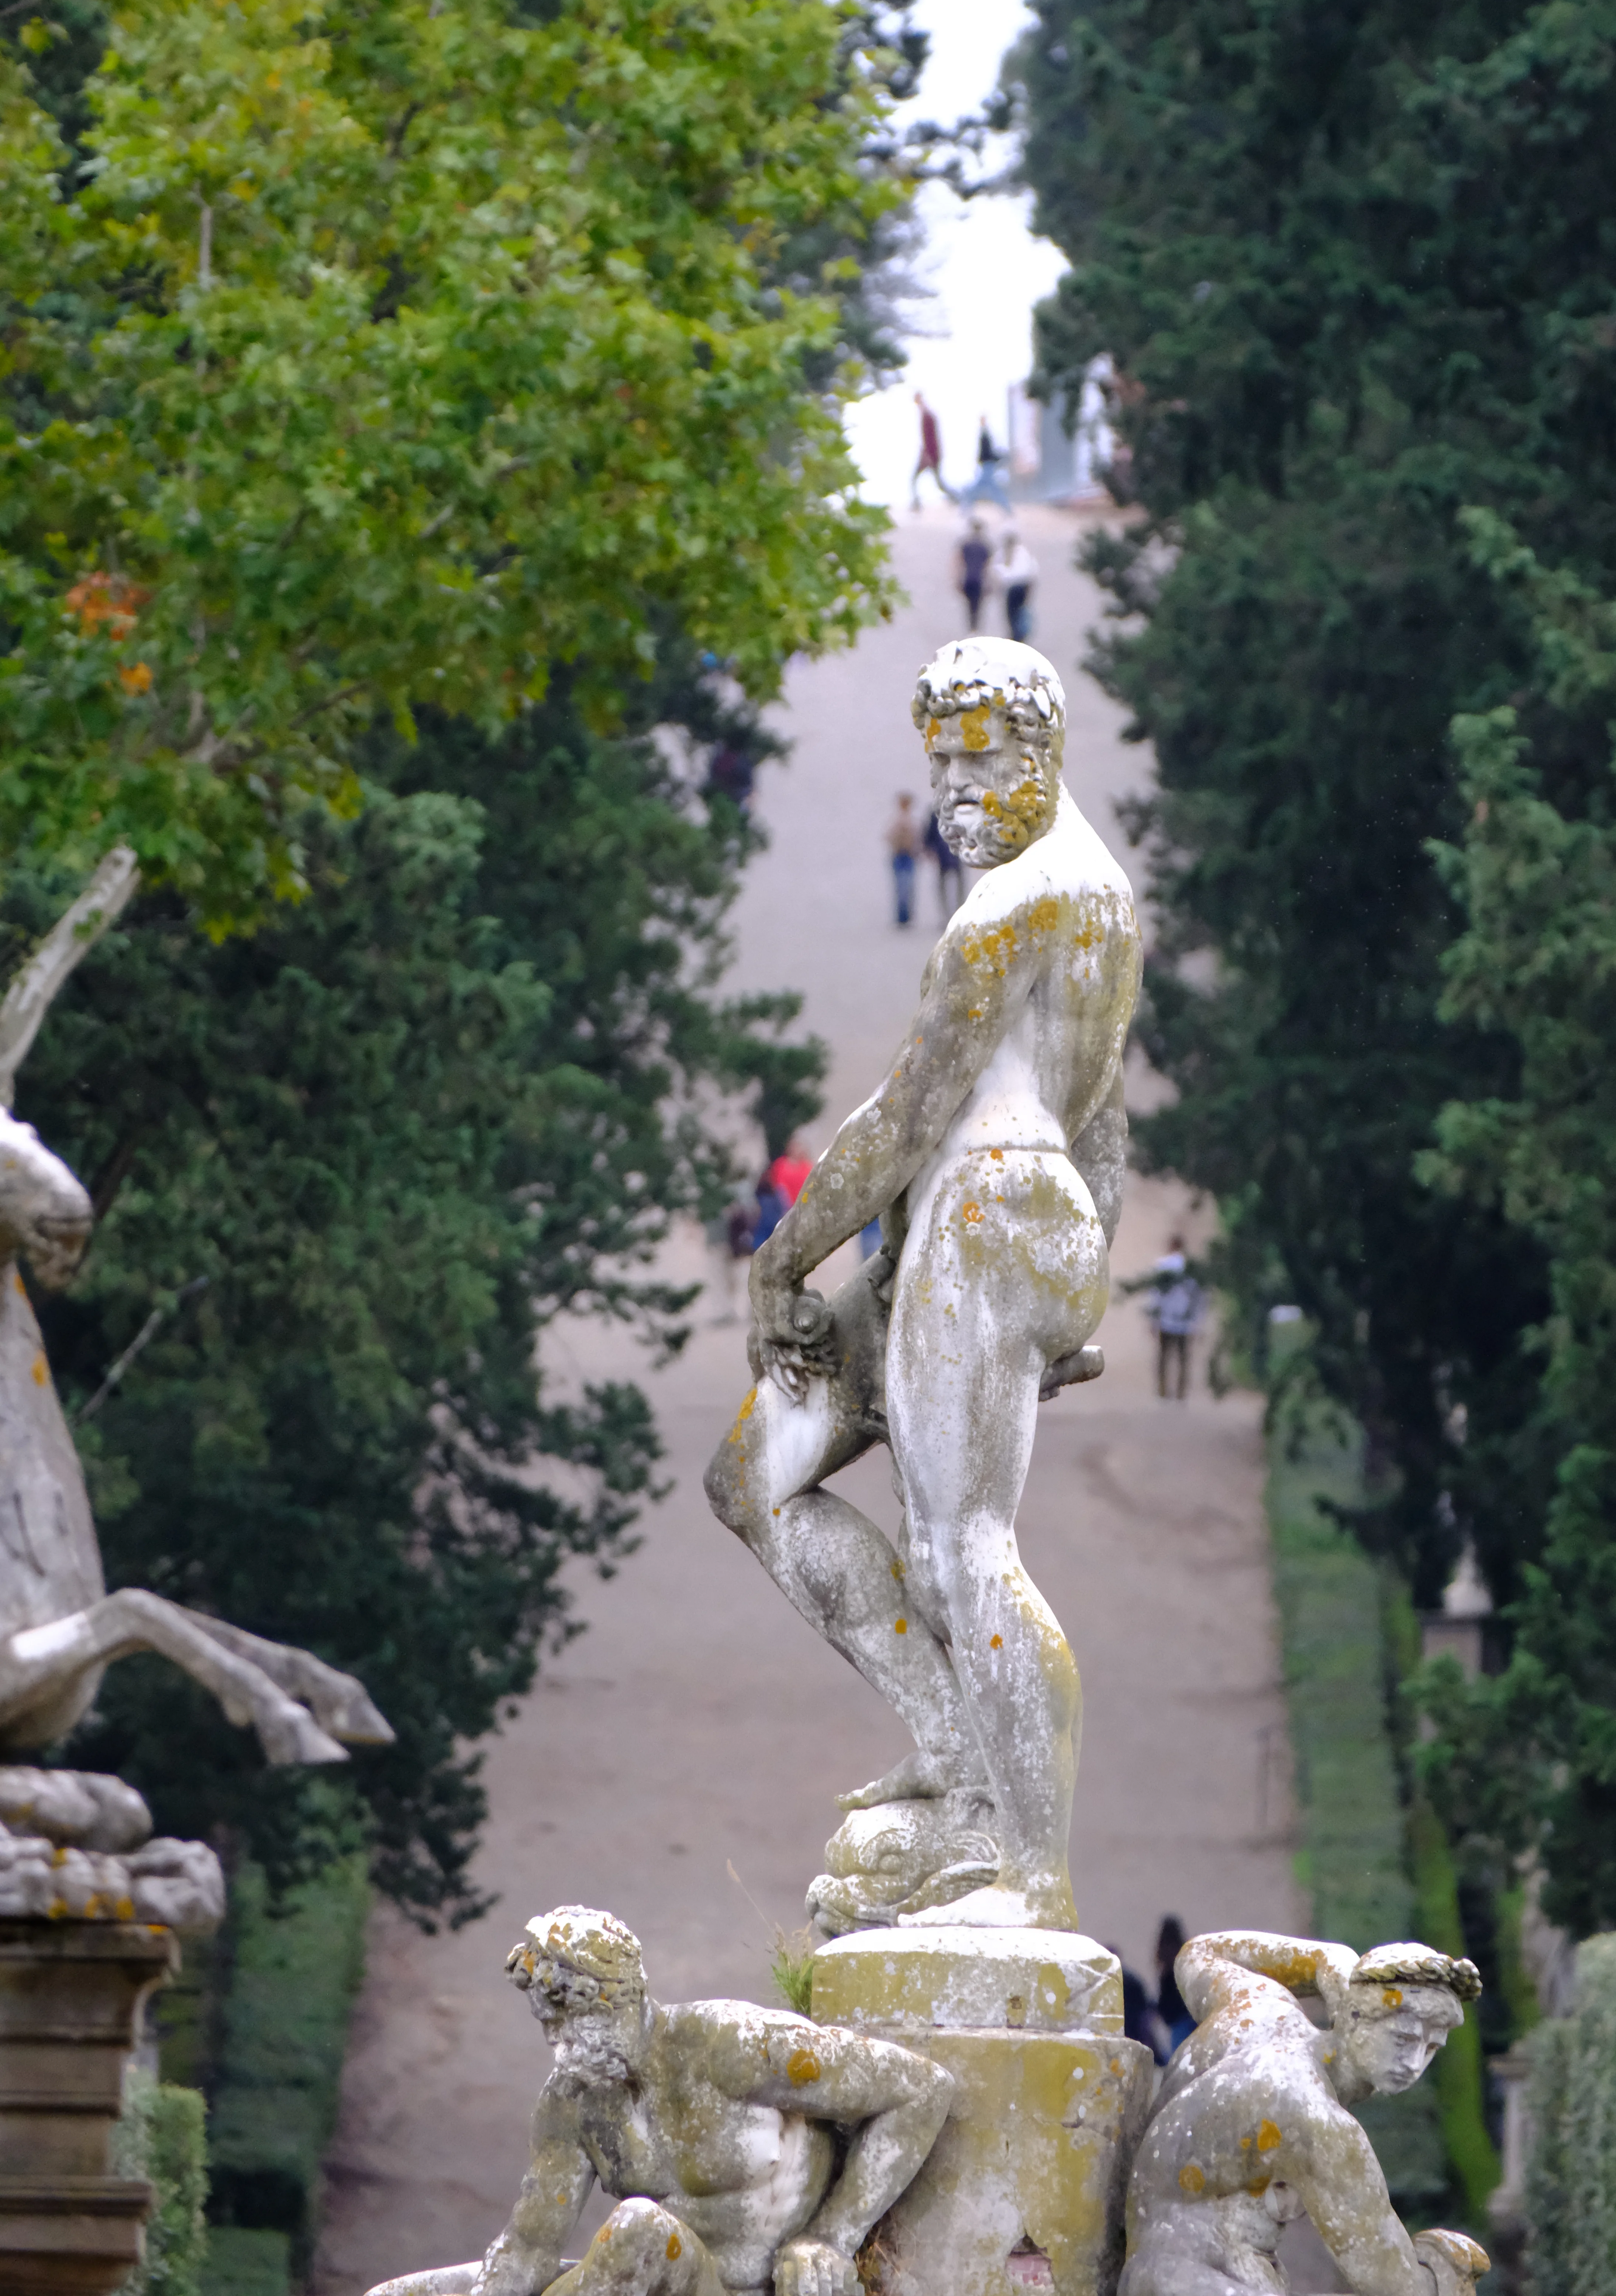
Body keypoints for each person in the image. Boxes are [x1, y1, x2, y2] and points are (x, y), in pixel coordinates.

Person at [705, 639, 1143, 1932]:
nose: (954, 787)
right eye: (938, 761)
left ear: (1041, 748)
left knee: (966, 1549)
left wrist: (781, 1255)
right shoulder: (1097, 890)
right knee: (753, 1477)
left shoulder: (1010, 908)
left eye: (978, 758)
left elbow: (905, 1114)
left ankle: (1033, 1877)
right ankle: (953, 1744)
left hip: (985, 1211)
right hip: (1005, 1223)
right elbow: (1105, 1107)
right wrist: (1088, 1271)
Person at [374, 1903, 952, 2296]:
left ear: (623, 2001)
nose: (561, 2047)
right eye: (548, 2028)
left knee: (640, 2229)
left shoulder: (734, 2048)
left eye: (573, 2024)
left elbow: (920, 2091)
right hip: (650, 2282)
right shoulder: (572, 2102)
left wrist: (831, 2238)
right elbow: (528, 2249)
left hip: (742, 2285)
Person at [1119, 1932, 1489, 2296]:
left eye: (1431, 2048)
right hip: (1189, 2278)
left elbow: (1200, 1954)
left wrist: (1322, 1960)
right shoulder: (1316, 2118)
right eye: (1402, 2039)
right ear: (1355, 2016)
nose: (1413, 2063)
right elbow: (1391, 2280)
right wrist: (1446, 2271)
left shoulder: (1262, 2009)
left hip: (1163, 2264)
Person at [1144, 1236, 1206, 1401]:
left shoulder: (1162, 1266)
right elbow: (1199, 1297)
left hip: (1166, 1319)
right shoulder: (1192, 1270)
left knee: (1164, 1357)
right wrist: (1198, 1321)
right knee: (1183, 1358)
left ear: (1171, 1246)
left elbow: (1156, 1296)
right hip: (1185, 1321)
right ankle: (1181, 1391)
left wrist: (1153, 1320)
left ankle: (1163, 1389)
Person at [1153, 1914, 1194, 2052]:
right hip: (1188, 2015)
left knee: (1178, 2053)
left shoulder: (1164, 1960)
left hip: (1176, 2020)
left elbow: (1165, 1995)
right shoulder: (1184, 1957)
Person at [909, 393, 954, 509]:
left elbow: (930, 439)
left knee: (935, 482)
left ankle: (956, 499)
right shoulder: (927, 414)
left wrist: (929, 455)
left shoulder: (927, 416)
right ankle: (956, 499)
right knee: (936, 482)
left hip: (931, 455)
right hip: (931, 454)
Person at [921, 807, 962, 920]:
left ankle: (958, 912)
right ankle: (947, 915)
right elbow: (930, 834)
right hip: (943, 855)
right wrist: (929, 849)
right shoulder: (936, 813)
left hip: (956, 854)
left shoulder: (958, 811)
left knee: (957, 885)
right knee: (944, 885)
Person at [997, 529, 1038, 643]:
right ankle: (1020, 633)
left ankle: (1016, 633)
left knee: (1012, 611)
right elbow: (1033, 570)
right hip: (1024, 584)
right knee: (1021, 609)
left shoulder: (1005, 553)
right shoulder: (1024, 552)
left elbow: (1000, 572)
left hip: (1013, 586)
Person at [967, 414, 1012, 512]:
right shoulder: (984, 434)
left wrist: (996, 458)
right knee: (992, 489)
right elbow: (985, 452)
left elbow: (987, 452)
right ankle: (1007, 509)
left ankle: (966, 508)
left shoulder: (986, 435)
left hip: (988, 465)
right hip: (987, 465)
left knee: (982, 488)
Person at [887, 792, 920, 927]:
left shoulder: (913, 821)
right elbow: (889, 837)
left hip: (909, 856)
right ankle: (901, 915)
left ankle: (907, 915)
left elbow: (918, 839)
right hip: (899, 856)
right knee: (901, 886)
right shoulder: (895, 820)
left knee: (909, 886)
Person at [954, 517, 991, 631]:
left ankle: (971, 628)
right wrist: (989, 582)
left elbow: (959, 563)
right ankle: (975, 628)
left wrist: (957, 579)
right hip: (980, 579)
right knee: (978, 605)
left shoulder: (966, 545)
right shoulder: (985, 546)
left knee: (969, 605)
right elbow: (988, 566)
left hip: (968, 578)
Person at [765, 1137, 814, 1214]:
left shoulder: (807, 1166)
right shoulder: (781, 1165)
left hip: (805, 1204)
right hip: (786, 1205)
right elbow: (779, 1188)